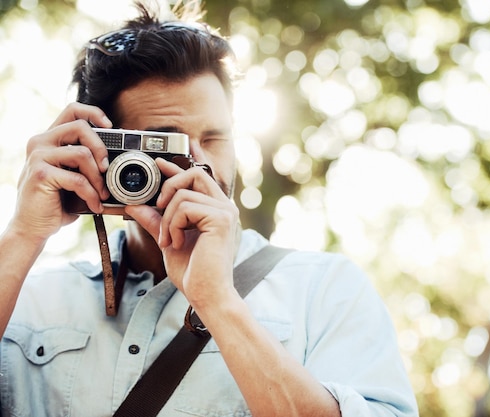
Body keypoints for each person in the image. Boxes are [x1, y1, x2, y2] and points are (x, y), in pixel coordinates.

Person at [0, 2, 418, 416]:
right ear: (104, 152)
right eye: (166, 143)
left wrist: (217, 301)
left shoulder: (326, 291)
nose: (198, 163)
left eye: (215, 139)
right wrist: (22, 236)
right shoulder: (29, 300)